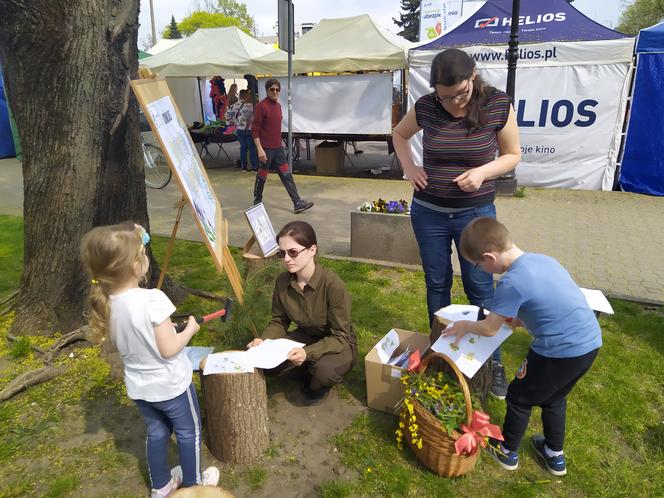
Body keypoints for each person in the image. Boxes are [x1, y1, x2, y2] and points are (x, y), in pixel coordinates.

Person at [392, 48, 521, 399]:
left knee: (481, 287)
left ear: (473, 77)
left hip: (474, 216)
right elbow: (399, 135)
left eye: (459, 94)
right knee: (437, 283)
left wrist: (482, 173)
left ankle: (492, 362)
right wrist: (410, 167)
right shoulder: (427, 105)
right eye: (444, 96)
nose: (451, 103)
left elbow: (512, 154)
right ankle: (441, 353)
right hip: (429, 212)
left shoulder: (497, 104)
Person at [442, 217, 602, 477]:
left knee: (518, 397)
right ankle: (554, 455)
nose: (480, 270)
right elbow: (550, 302)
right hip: (589, 344)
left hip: (557, 351)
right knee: (554, 397)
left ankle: (507, 451)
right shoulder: (544, 260)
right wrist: (521, 319)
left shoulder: (510, 283)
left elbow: (489, 328)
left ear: (489, 257)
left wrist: (464, 326)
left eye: (477, 265)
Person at [80, 222, 220, 497]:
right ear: (135, 266)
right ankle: (192, 488)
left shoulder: (107, 303)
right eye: (142, 253)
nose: (145, 257)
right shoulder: (153, 299)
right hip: (171, 386)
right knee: (188, 432)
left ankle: (161, 488)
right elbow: (169, 350)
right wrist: (190, 329)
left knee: (157, 432)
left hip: (140, 389)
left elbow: (142, 339)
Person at [246, 221, 357, 405]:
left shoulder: (332, 285)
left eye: (293, 252)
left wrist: (307, 353)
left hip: (338, 341)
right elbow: (279, 321)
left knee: (324, 372)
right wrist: (263, 341)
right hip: (305, 336)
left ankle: (318, 379)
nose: (286, 259)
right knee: (262, 362)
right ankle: (307, 367)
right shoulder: (283, 281)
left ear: (312, 250)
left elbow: (340, 336)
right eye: (282, 253)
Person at [251, 78, 313, 214]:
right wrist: (259, 149)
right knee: (262, 175)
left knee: (286, 174)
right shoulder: (261, 106)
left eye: (277, 89)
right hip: (265, 149)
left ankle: (297, 202)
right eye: (272, 89)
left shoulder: (278, 106)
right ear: (266, 90)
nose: (275, 92)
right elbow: (255, 129)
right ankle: (257, 201)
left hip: (278, 149)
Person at [226, 89, 258, 172]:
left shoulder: (234, 105)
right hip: (248, 129)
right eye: (248, 95)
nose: (249, 96)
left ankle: (244, 167)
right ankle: (254, 167)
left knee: (243, 148)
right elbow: (253, 116)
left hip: (239, 130)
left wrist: (234, 124)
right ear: (245, 95)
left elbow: (227, 116)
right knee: (252, 148)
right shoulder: (249, 105)